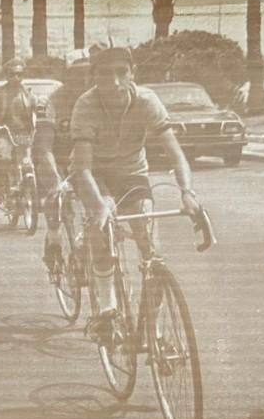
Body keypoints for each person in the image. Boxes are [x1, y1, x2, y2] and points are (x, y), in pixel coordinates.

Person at [69, 46, 203, 339]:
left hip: (132, 174)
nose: (115, 82)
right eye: (105, 74)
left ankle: (153, 333)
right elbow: (83, 169)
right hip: (96, 175)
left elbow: (176, 154)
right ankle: (107, 310)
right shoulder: (86, 105)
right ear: (94, 76)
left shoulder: (147, 101)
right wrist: (100, 207)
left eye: (122, 72)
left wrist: (188, 192)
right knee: (102, 231)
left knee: (152, 254)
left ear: (133, 74)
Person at [37, 49, 92, 272]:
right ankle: (53, 241)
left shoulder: (97, 99)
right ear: (67, 75)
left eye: (89, 72)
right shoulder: (52, 102)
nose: (84, 79)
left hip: (86, 161)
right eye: (78, 73)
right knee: (56, 202)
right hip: (57, 161)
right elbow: (43, 147)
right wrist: (57, 182)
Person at [0, 57, 36, 207]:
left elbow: (37, 105)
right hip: (4, 133)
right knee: (4, 158)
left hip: (25, 133)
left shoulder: (27, 93)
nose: (16, 77)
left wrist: (42, 107)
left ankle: (36, 191)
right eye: (12, 74)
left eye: (20, 74)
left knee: (32, 162)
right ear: (6, 75)